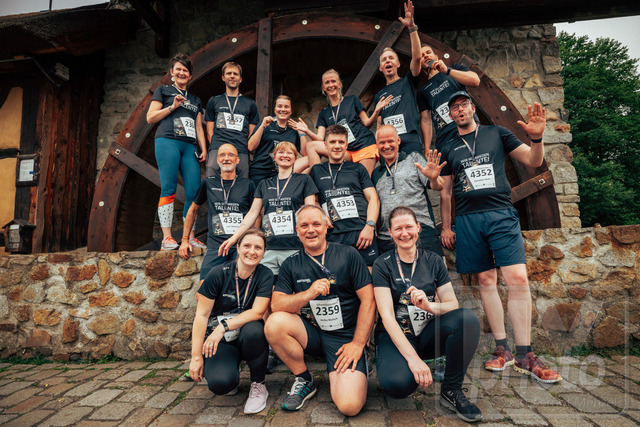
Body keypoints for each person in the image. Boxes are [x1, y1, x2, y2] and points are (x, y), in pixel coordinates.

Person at [440, 91, 562, 383]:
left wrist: (536, 138)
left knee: (517, 279)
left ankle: (526, 354)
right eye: (454, 107)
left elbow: (533, 161)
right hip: (468, 220)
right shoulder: (447, 146)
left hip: (501, 214)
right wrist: (446, 226)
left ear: (473, 108)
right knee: (485, 280)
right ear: (450, 115)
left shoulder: (497, 133)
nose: (460, 109)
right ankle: (502, 349)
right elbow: (443, 191)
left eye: (464, 104)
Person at [373, 206, 482, 423]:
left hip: (426, 333)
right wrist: (413, 360)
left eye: (409, 227)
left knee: (467, 319)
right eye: (398, 229)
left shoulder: (433, 260)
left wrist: (429, 307)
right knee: (398, 386)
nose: (404, 233)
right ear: (390, 233)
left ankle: (451, 390)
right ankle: (403, 362)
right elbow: (387, 317)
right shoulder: (382, 264)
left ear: (418, 228)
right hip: (396, 336)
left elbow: (452, 304)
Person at [264, 205, 375, 416]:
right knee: (275, 323)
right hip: (311, 333)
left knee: (349, 406)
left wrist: (358, 343)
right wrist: (308, 294)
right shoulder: (291, 264)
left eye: (316, 224)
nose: (311, 230)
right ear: (297, 230)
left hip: (344, 337)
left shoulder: (348, 254)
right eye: (304, 225)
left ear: (326, 226)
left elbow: (369, 300)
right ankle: (304, 379)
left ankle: (360, 360)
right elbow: (277, 305)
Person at [189, 229, 274, 414]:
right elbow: (201, 315)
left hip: (247, 335)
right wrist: (196, 357)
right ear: (238, 247)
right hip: (221, 340)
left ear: (264, 252)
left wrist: (223, 327)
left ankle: (258, 384)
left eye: (258, 247)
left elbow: (258, 312)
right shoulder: (218, 273)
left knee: (255, 329)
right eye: (247, 246)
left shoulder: (265, 274)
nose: (252, 251)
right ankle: (231, 373)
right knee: (221, 385)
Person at [218, 141, 317, 277]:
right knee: (266, 287)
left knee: (295, 286)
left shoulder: (304, 180)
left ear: (295, 158)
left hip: (295, 246)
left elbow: (311, 211)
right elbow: (253, 213)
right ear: (275, 157)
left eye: (289, 153)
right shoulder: (264, 184)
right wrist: (234, 238)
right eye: (281, 152)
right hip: (268, 248)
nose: (285, 155)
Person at [146, 53, 207, 251]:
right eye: (178, 69)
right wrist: (172, 107)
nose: (182, 73)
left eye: (185, 70)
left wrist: (204, 148)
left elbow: (198, 127)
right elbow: (150, 118)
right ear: (172, 72)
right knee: (168, 188)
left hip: (189, 146)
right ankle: (167, 238)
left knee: (193, 191)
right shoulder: (163, 91)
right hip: (167, 141)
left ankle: (190, 236)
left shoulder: (195, 99)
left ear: (190, 75)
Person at [178, 144, 255, 283]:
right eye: (222, 155)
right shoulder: (208, 183)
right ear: (217, 160)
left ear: (237, 160)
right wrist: (184, 240)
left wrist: (253, 241)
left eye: (231, 155)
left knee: (238, 288)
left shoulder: (248, 184)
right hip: (215, 247)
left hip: (240, 247)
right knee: (203, 289)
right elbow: (192, 209)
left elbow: (256, 214)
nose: (226, 158)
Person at [295, 69, 391, 175]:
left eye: (333, 81)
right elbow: (319, 139)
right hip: (345, 151)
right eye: (327, 82)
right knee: (311, 145)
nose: (330, 85)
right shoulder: (324, 113)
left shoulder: (352, 100)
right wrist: (307, 131)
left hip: (364, 146)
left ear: (339, 84)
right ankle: (320, 178)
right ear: (323, 87)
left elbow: (367, 123)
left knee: (362, 181)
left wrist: (376, 111)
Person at [309, 125, 380, 268]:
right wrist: (320, 214)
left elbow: (373, 199)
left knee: (368, 274)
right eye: (332, 142)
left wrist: (370, 226)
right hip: (332, 235)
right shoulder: (316, 170)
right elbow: (313, 201)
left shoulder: (358, 168)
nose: (337, 146)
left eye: (341, 142)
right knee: (336, 276)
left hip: (361, 233)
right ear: (325, 145)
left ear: (346, 145)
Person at [372, 125, 445, 257]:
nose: (386, 146)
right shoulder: (376, 174)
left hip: (422, 232)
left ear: (398, 140)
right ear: (377, 144)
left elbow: (438, 186)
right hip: (388, 238)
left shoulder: (414, 159)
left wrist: (434, 178)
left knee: (433, 270)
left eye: (390, 141)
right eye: (382, 142)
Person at [373, 1, 423, 155]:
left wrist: (412, 28)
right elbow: (379, 124)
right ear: (381, 68)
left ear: (398, 64)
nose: (388, 61)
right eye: (384, 60)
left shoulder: (408, 81)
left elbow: (417, 57)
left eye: (391, 58)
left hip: (410, 138)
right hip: (388, 143)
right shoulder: (379, 95)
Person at [417, 45, 480, 151]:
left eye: (428, 52)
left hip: (468, 126)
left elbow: (475, 80)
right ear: (419, 64)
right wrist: (427, 147)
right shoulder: (422, 91)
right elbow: (425, 120)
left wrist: (447, 71)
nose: (426, 56)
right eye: (422, 56)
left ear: (436, 57)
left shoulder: (455, 69)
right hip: (445, 136)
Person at [205, 62, 259, 178]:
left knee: (241, 184)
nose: (232, 76)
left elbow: (252, 133)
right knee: (212, 182)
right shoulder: (214, 101)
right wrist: (217, 148)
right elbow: (209, 131)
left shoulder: (250, 104)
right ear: (223, 77)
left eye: (236, 74)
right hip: (217, 149)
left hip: (241, 150)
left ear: (240, 79)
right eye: (229, 73)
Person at [248, 95, 309, 186]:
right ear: (275, 110)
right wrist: (262, 126)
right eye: (279, 106)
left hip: (281, 174)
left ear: (290, 111)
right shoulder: (265, 125)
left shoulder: (293, 132)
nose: (283, 109)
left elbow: (305, 155)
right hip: (260, 172)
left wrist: (302, 133)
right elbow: (250, 147)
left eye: (286, 107)